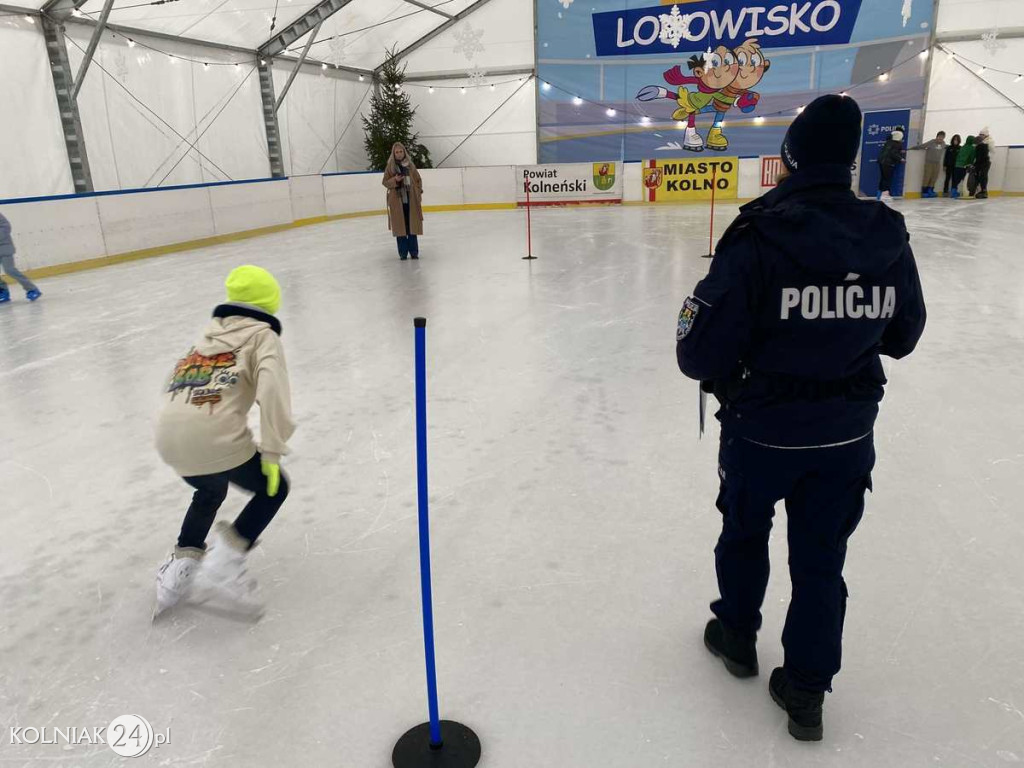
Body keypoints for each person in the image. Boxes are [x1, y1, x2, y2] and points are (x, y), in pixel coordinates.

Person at [676, 94, 926, 742]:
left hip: (761, 431)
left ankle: (736, 633)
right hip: (845, 433)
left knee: (744, 531)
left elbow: (698, 351)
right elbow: (903, 335)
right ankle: (806, 691)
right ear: (849, 161)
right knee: (821, 562)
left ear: (790, 157)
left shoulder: (758, 232)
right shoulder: (885, 233)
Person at [153, 265, 295, 618]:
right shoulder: (263, 337)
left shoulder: (205, 337)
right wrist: (273, 453)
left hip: (169, 438)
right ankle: (222, 567)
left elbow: (172, 385)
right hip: (215, 440)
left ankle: (178, 571)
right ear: (269, 301)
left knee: (209, 488)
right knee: (274, 489)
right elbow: (273, 393)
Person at [382, 142, 424, 260]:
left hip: (411, 201)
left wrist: (418, 192)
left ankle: (414, 252)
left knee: (412, 226)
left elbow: (418, 179)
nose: (399, 154)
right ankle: (403, 253)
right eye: (397, 152)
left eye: (401, 152)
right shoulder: (390, 166)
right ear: (393, 154)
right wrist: (394, 179)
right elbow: (385, 182)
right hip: (397, 202)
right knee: (401, 228)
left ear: (404, 152)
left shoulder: (410, 165)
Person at [0, 211, 42, 304]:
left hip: (4, 247)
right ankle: (2, 291)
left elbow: (6, 226)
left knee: (10, 270)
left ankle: (32, 289)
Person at [911, 131, 946, 198]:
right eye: (939, 137)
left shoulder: (943, 144)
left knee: (934, 177)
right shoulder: (931, 142)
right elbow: (922, 146)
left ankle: (931, 190)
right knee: (927, 176)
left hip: (937, 163)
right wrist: (913, 148)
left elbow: (947, 147)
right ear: (937, 136)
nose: (940, 139)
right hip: (929, 162)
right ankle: (924, 191)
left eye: (942, 137)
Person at [877, 129, 905, 201]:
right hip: (888, 163)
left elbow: (890, 151)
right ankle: (885, 195)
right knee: (887, 179)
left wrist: (899, 151)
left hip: (882, 162)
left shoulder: (889, 142)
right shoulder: (897, 144)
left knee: (883, 178)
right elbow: (893, 153)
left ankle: (879, 194)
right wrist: (900, 159)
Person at [973, 128, 993, 199]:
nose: (981, 136)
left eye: (982, 135)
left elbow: (982, 157)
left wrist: (975, 164)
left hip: (985, 163)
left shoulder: (986, 144)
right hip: (982, 163)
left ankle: (983, 191)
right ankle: (980, 190)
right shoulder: (979, 146)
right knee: (979, 176)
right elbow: (978, 158)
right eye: (980, 135)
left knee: (983, 175)